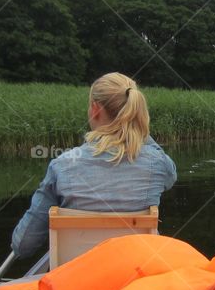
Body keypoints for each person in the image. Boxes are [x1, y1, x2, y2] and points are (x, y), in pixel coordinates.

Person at [11, 72, 177, 257]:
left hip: (78, 280)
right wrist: (137, 128)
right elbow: (170, 179)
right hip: (135, 277)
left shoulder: (62, 165)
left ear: (95, 109)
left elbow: (23, 245)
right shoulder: (159, 164)